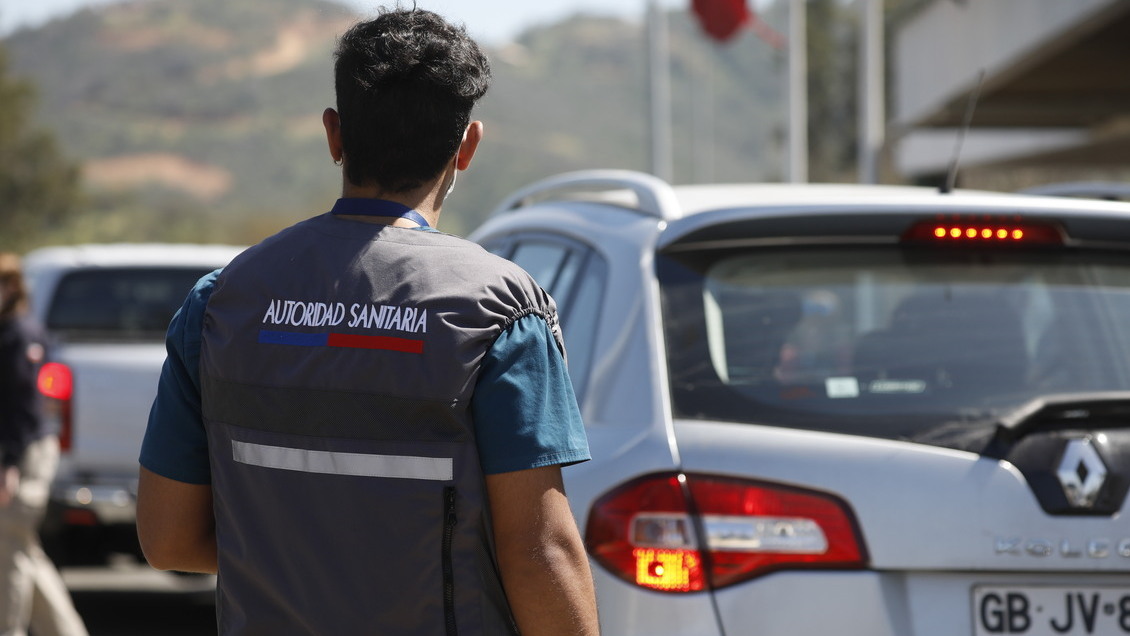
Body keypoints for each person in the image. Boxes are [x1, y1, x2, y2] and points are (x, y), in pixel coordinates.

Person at [136, 7, 600, 635]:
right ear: (466, 146)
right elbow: (539, 550)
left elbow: (167, 539)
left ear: (334, 134)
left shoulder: (220, 303)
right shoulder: (501, 310)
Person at [0, 253, 88, 636]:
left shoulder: (18, 334)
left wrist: (8, 465)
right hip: (20, 452)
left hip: (24, 455)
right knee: (21, 547)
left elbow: (21, 409)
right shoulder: (13, 330)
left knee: (9, 546)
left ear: (12, 288)